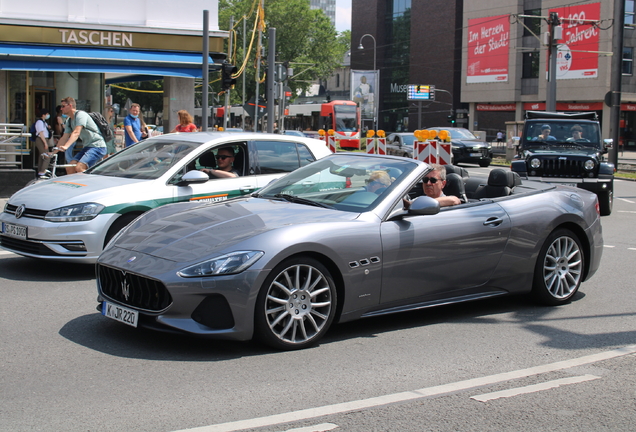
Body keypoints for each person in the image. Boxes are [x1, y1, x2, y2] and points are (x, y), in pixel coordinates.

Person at [52, 97, 107, 173]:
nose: (61, 109)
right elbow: (64, 137)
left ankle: (91, 183)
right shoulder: (69, 120)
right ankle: (72, 184)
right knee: (70, 167)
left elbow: (76, 132)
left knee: (79, 167)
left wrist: (66, 146)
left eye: (63, 106)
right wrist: (53, 153)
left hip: (97, 147)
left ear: (70, 106)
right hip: (87, 147)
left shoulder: (81, 115)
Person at [33, 108, 53, 177]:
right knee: (47, 156)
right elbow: (40, 133)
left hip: (44, 139)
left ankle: (40, 171)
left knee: (42, 156)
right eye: (47, 114)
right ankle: (43, 171)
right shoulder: (39, 122)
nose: (48, 115)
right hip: (41, 140)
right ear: (43, 115)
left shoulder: (44, 122)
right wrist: (45, 143)